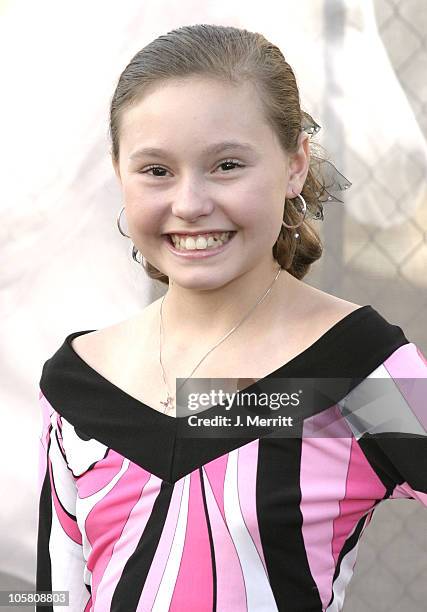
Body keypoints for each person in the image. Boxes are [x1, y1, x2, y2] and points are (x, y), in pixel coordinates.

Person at [35, 24, 426, 612]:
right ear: (119, 172)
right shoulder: (76, 380)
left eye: (226, 165)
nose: (190, 204)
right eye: (157, 170)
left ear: (295, 164)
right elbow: (51, 593)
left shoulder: (358, 369)